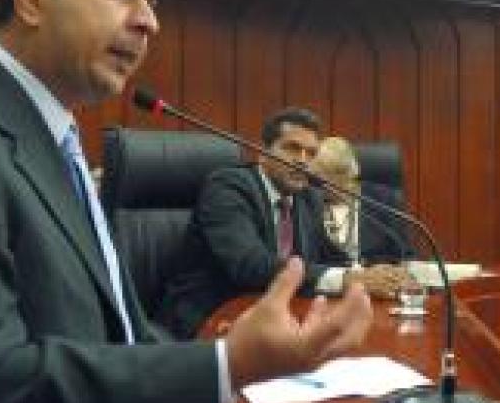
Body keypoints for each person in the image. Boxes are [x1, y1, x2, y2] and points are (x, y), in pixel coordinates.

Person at [0, 0, 372, 403]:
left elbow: (122, 334)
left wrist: (223, 373)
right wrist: (225, 365)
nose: (149, 21)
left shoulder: (53, 136)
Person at [160, 109, 410, 338]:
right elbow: (250, 265)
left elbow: (329, 258)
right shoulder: (228, 188)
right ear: (263, 153)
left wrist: (377, 275)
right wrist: (347, 279)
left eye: (311, 153)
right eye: (292, 148)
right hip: (211, 315)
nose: (302, 160)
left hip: (277, 317)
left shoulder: (308, 197)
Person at [309, 136, 416, 264]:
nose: (324, 186)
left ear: (351, 173)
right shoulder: (308, 202)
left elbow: (405, 255)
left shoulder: (384, 201)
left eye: (336, 176)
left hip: (376, 274)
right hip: (329, 275)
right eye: (318, 179)